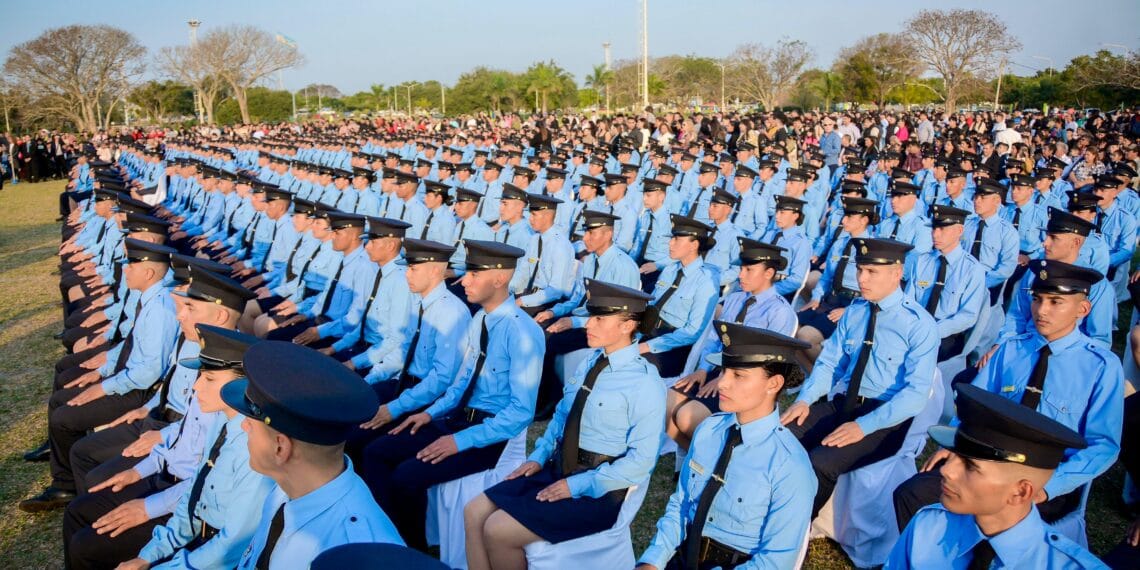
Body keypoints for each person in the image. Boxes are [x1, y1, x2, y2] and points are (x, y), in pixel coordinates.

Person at [893, 258, 1124, 532]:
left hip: (1045, 474)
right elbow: (974, 407)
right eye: (1038, 300)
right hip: (987, 461)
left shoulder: (1100, 366)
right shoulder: (1011, 349)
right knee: (911, 493)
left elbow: (1103, 445)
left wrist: (1050, 486)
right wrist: (956, 447)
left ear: (1082, 309)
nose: (1041, 310)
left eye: (1055, 302)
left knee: (999, 521)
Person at [464, 280, 665, 570]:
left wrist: (576, 485)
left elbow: (641, 463)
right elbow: (562, 416)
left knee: (497, 530)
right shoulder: (591, 360)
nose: (588, 324)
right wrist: (538, 456)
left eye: (599, 318)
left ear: (627, 325)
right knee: (473, 512)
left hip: (598, 490)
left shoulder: (646, 383)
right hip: (557, 469)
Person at [361, 239, 544, 550]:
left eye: (474, 275)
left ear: (499, 279)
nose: (464, 281)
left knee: (407, 476)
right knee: (376, 451)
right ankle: (383, 536)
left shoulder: (523, 332)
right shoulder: (480, 319)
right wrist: (429, 413)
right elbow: (461, 383)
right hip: (456, 419)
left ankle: (410, 550)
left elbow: (520, 412)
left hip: (488, 435)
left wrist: (459, 441)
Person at [638, 323, 817, 570]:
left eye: (738, 376)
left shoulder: (790, 465)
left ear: (773, 384)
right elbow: (681, 505)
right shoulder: (709, 431)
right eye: (723, 372)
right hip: (683, 556)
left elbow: (777, 561)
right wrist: (652, 560)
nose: (721, 383)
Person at [781, 237, 937, 518]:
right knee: (783, 438)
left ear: (897, 273)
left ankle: (795, 530)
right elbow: (830, 364)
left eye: (871, 272)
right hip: (843, 403)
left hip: (884, 418)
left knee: (821, 462)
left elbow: (915, 396)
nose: (861, 279)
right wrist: (805, 399)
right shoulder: (855, 311)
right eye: (860, 269)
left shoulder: (919, 325)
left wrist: (864, 426)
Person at [23, 239, 180, 512]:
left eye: (132, 265)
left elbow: (149, 371)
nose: (126, 270)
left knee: (64, 416)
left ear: (149, 273)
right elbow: (133, 343)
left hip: (140, 389)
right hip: (129, 376)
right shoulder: (150, 298)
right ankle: (64, 472)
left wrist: (105, 386)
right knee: (63, 393)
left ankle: (67, 487)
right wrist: (105, 365)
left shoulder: (162, 309)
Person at [884, 384, 1107, 569]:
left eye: (970, 466)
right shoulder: (927, 526)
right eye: (955, 456)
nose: (946, 470)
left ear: (1021, 491)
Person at [230, 341, 404, 569]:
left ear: (280, 448)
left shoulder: (354, 553)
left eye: (251, 423)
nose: (244, 427)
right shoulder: (287, 488)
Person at [112, 324, 272, 570]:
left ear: (244, 386)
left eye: (208, 378)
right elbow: (195, 495)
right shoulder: (222, 420)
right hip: (199, 541)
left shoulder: (252, 448)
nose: (196, 386)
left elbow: (230, 547)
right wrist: (150, 554)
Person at [668, 238, 797, 450]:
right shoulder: (735, 299)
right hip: (718, 369)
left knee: (685, 418)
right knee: (667, 402)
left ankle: (716, 460)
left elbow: (767, 363)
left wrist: (722, 378)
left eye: (748, 270)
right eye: (741, 269)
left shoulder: (779, 312)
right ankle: (693, 458)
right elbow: (714, 339)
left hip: (744, 380)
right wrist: (702, 370)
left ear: (768, 273)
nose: (740, 275)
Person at [904, 205, 988, 362]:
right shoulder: (922, 260)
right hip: (915, 330)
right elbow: (909, 301)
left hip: (946, 336)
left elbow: (968, 315)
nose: (935, 234)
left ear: (959, 231)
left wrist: (933, 330)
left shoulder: (972, 269)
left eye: (942, 229)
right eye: (934, 228)